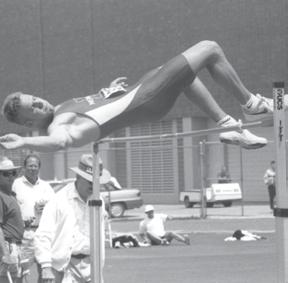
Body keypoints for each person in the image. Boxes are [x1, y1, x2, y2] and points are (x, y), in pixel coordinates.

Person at [0, 40, 276, 152]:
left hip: (139, 92)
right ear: (27, 123)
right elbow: (61, 141)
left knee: (183, 77)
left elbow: (98, 108)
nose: (39, 101)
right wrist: (25, 142)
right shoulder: (59, 124)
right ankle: (254, 106)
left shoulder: (61, 108)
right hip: (145, 97)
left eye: (34, 97)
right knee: (210, 48)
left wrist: (105, 92)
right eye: (33, 107)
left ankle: (228, 126)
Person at [34, 154, 106, 283]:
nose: (93, 185)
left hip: (92, 265)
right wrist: (45, 266)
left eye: (96, 181)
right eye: (89, 181)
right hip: (64, 266)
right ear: (78, 176)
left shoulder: (99, 201)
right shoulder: (59, 200)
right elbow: (43, 234)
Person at [12, 153, 55, 283]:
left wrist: (46, 207)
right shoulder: (16, 185)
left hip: (43, 233)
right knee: (20, 271)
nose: (32, 168)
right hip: (23, 234)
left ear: (39, 168)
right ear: (24, 167)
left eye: (35, 166)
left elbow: (54, 207)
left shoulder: (46, 187)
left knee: (45, 270)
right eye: (30, 165)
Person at [0, 157, 26, 283]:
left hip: (16, 246)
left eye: (13, 173)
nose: (10, 177)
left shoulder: (11, 194)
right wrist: (5, 253)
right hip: (8, 246)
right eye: (6, 174)